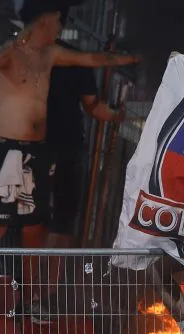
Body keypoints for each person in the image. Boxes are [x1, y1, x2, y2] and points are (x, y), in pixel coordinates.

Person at [0, 0, 138, 317]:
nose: (61, 26)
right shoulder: (11, 52)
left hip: (38, 151)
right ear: (43, 21)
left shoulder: (53, 55)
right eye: (57, 20)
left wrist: (134, 56)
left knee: (35, 229)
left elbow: (93, 59)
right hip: (7, 148)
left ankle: (32, 299)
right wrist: (19, 41)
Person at [45, 32, 125, 248]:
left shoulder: (27, 56)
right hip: (67, 143)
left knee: (36, 218)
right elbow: (94, 107)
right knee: (63, 219)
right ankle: (49, 281)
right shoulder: (76, 60)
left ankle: (31, 278)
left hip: (37, 143)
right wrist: (118, 115)